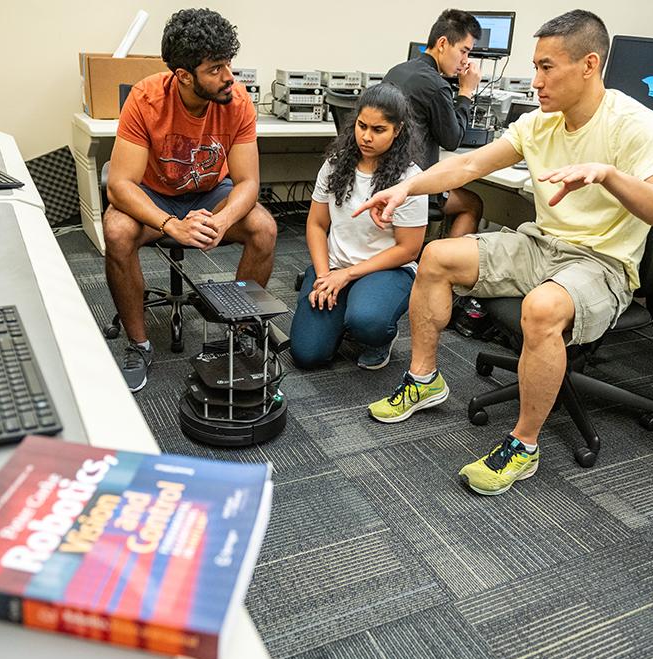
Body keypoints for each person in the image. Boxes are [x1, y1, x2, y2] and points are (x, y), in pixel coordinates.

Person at [356, 10, 653, 496]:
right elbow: (468, 163)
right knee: (436, 257)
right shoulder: (540, 123)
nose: (534, 81)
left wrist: (610, 175)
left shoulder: (633, 125)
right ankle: (424, 380)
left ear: (589, 65)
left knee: (541, 309)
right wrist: (405, 191)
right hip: (540, 246)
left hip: (602, 263)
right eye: (534, 67)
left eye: (546, 68)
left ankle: (524, 445)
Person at [103, 8, 277, 391]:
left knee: (264, 227)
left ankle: (241, 331)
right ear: (183, 75)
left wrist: (225, 219)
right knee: (116, 230)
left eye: (228, 64)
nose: (228, 77)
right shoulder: (146, 99)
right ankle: (139, 344)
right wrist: (171, 225)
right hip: (155, 195)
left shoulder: (238, 101)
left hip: (211, 192)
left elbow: (248, 181)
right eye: (215, 69)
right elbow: (119, 185)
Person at [289, 84, 428, 370]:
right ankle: (342, 315)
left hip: (385, 270)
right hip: (335, 266)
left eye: (379, 130)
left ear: (397, 130)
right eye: (362, 126)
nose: (366, 136)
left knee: (368, 321)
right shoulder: (335, 165)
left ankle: (378, 336)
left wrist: (348, 276)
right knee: (307, 354)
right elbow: (316, 224)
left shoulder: (410, 179)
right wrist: (324, 275)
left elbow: (409, 249)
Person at [383, 9, 485, 240]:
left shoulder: (397, 70)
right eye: (464, 51)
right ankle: (444, 262)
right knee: (473, 203)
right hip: (415, 187)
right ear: (442, 43)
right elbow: (452, 140)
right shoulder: (435, 85)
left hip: (384, 177)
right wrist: (466, 91)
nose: (465, 60)